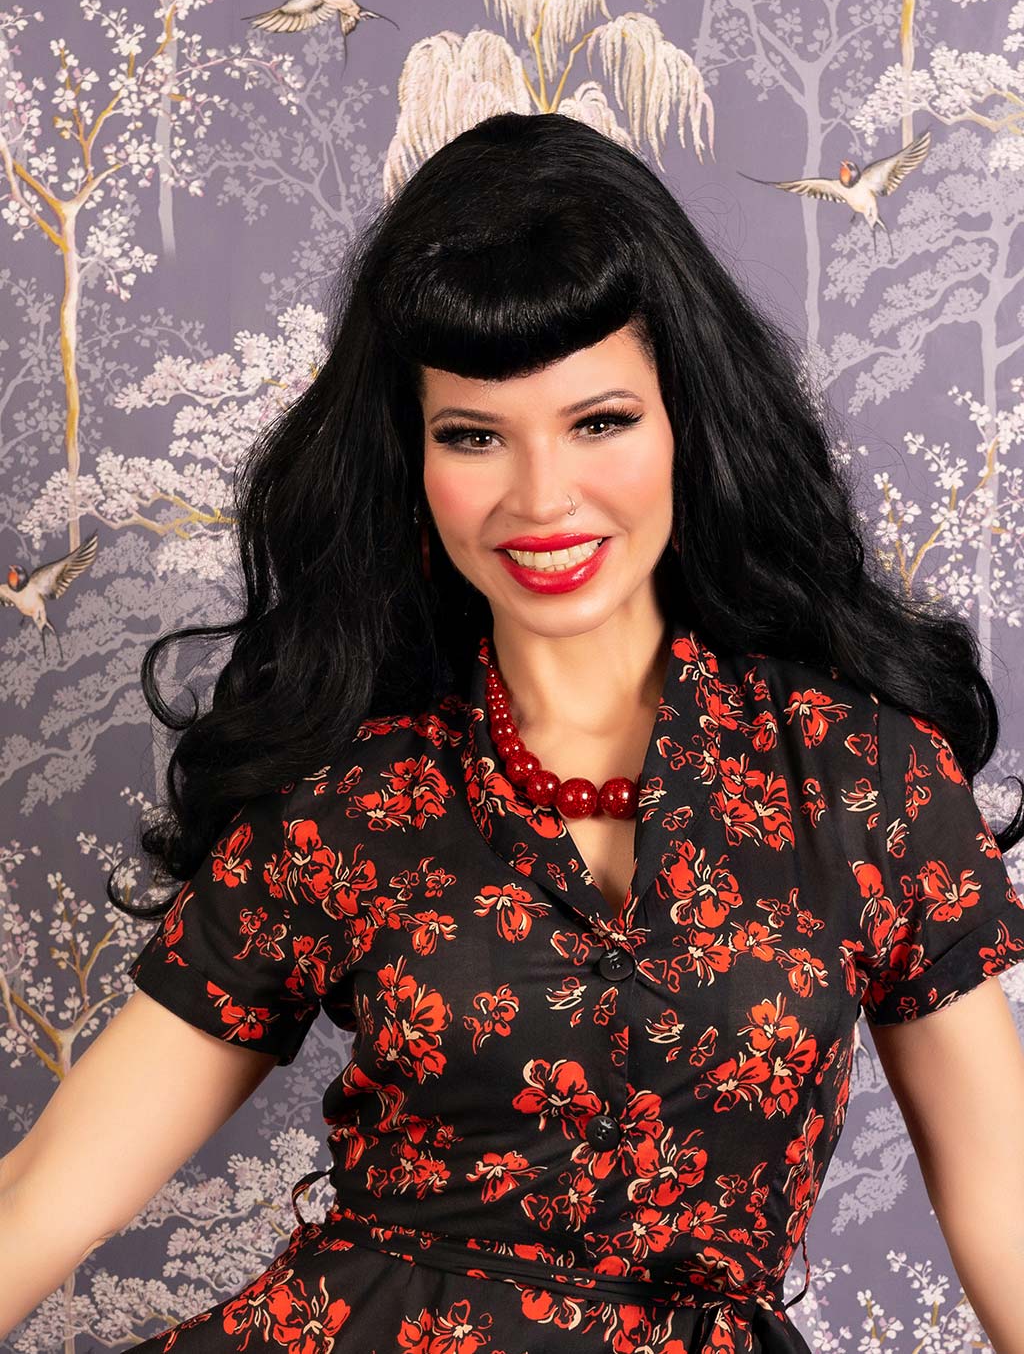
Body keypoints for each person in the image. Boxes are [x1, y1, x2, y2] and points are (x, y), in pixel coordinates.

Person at [2, 111, 1024, 1354]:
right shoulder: (345, 803)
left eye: (599, 421)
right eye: (473, 436)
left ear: (686, 425)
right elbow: (45, 1199)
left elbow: (1004, 1213)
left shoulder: (862, 777)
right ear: (410, 461)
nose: (541, 498)